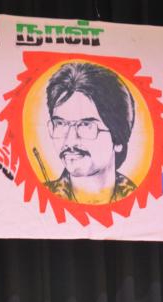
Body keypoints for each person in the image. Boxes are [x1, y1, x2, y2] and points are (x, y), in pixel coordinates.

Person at [44, 61, 137, 204]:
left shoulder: (141, 202)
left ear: (118, 138)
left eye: (86, 125)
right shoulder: (40, 198)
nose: (70, 141)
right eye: (61, 124)